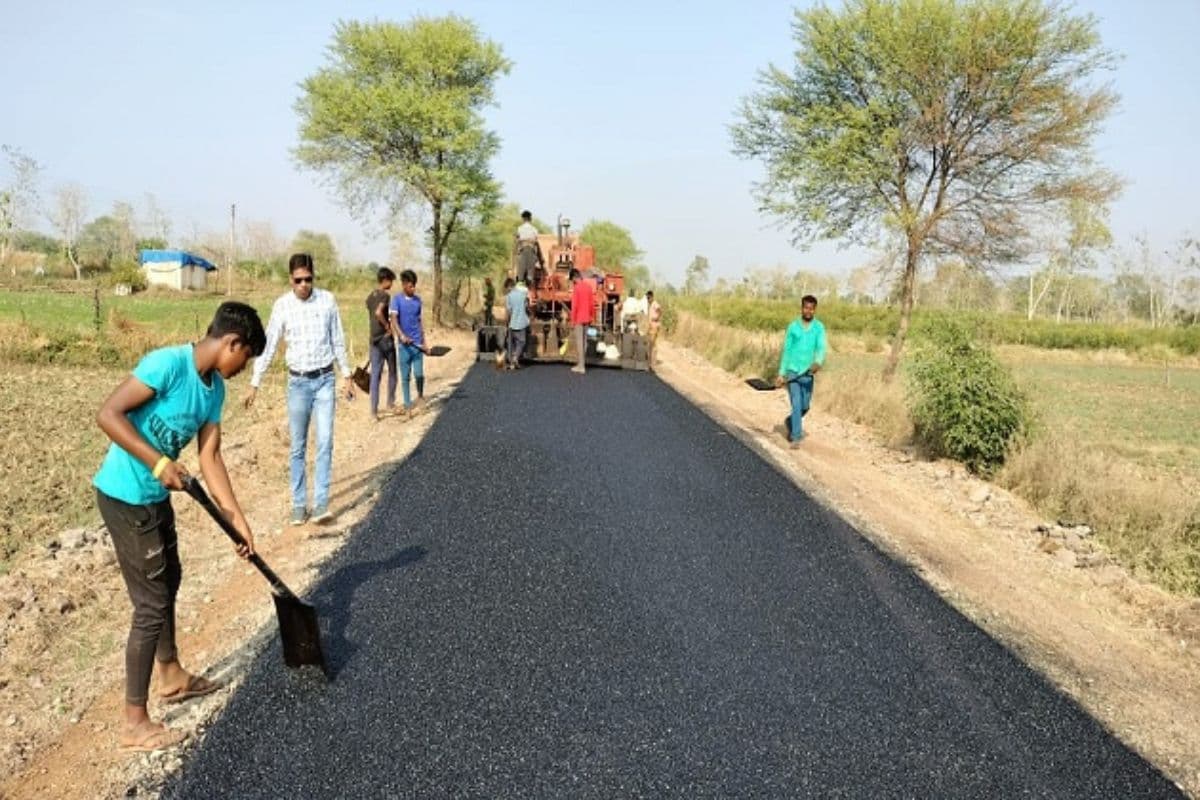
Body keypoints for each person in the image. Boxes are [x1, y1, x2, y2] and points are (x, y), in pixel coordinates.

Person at [93, 301, 266, 752]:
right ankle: (134, 723)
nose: (242, 369)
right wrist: (159, 463)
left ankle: (170, 675)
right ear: (232, 343)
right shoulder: (167, 365)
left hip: (154, 497)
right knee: (150, 605)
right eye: (245, 358)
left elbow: (211, 457)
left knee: (170, 579)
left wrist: (236, 519)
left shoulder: (214, 391)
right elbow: (108, 414)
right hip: (124, 495)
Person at [244, 253, 355, 525]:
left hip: (325, 380)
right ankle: (298, 504)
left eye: (308, 279)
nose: (304, 284)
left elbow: (338, 340)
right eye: (298, 280)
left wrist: (347, 374)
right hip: (298, 384)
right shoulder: (282, 306)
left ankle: (320, 504)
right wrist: (255, 382)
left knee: (325, 441)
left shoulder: (327, 300)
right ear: (290, 279)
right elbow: (270, 344)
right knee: (298, 446)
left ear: (313, 278)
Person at [774, 294, 827, 446]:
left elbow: (821, 347)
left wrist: (818, 362)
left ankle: (790, 421)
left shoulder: (819, 328)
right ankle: (796, 436)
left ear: (815, 310)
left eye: (811, 308)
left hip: (808, 373)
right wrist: (781, 374)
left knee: (805, 406)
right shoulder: (793, 327)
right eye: (806, 308)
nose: (808, 311)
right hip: (793, 372)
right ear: (802, 308)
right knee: (796, 403)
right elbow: (787, 351)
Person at [389, 269, 432, 413]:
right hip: (404, 347)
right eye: (411, 286)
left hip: (417, 345)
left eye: (414, 286)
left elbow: (419, 321)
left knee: (419, 374)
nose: (413, 289)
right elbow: (394, 320)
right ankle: (407, 405)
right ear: (404, 285)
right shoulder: (396, 300)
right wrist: (401, 335)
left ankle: (420, 397)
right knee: (405, 377)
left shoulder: (418, 301)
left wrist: (424, 342)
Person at [365, 267, 398, 421]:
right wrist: (387, 326)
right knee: (392, 371)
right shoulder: (385, 295)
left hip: (373, 340)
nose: (391, 284)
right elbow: (378, 313)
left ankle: (373, 411)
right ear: (385, 280)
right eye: (390, 281)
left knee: (375, 375)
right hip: (385, 339)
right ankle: (390, 403)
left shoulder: (370, 296)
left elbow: (372, 313)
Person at [569, 268, 595, 374]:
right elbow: (592, 304)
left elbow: (574, 306)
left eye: (572, 280)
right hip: (587, 317)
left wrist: (572, 320)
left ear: (574, 278)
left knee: (579, 342)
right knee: (584, 341)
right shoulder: (588, 287)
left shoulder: (576, 288)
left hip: (579, 318)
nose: (573, 282)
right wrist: (592, 317)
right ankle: (581, 364)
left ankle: (581, 366)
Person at [504, 277, 530, 370]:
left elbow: (508, 312)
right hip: (522, 322)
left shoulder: (509, 296)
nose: (507, 290)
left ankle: (512, 361)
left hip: (512, 323)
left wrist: (506, 322)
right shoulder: (523, 294)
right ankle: (516, 358)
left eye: (507, 288)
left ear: (509, 286)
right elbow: (527, 306)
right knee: (522, 342)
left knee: (511, 342)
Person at [514, 210, 543, 290]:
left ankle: (520, 283)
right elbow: (536, 241)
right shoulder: (534, 229)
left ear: (523, 219)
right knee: (530, 274)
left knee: (520, 275)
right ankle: (530, 283)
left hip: (522, 251)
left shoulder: (519, 228)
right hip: (531, 251)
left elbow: (517, 240)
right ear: (530, 218)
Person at [646, 290, 663, 367]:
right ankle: (651, 360)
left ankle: (653, 361)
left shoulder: (655, 303)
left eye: (648, 298)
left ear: (652, 297)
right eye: (647, 298)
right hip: (651, 326)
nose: (648, 299)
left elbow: (659, 310)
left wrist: (656, 318)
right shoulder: (651, 304)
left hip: (655, 326)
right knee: (650, 343)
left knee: (652, 343)